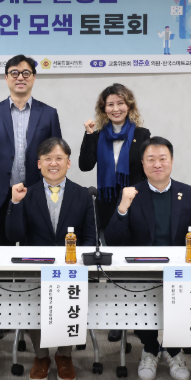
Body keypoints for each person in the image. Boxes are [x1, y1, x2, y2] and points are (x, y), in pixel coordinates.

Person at [105, 136, 191, 380]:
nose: (157, 164)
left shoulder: (189, 193)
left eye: (163, 158)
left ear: (172, 161)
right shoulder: (132, 193)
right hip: (142, 271)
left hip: (180, 271)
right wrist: (122, 208)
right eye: (150, 159)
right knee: (137, 293)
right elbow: (112, 240)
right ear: (142, 164)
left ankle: (173, 349)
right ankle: (150, 348)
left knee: (187, 290)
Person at [5, 137, 95, 380]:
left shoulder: (83, 195)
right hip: (36, 268)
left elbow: (90, 237)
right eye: (47, 159)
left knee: (70, 304)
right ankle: (41, 355)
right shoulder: (26, 193)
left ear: (68, 162)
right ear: (39, 163)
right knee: (34, 303)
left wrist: (78, 263)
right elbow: (14, 236)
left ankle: (64, 355)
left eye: (59, 158)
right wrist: (15, 203)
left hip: (71, 268)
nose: (53, 163)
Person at [78, 83, 150, 343]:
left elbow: (147, 169)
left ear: (129, 106)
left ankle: (139, 318)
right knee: (112, 267)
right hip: (108, 206)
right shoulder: (97, 135)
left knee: (134, 266)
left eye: (120, 103)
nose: (116, 108)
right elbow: (85, 165)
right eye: (110, 104)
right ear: (103, 109)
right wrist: (88, 135)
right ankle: (117, 319)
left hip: (135, 206)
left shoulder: (142, 134)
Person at [0, 54, 62, 248]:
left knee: (34, 251)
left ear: (34, 78)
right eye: (14, 73)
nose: (20, 77)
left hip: (35, 190)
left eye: (26, 73)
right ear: (6, 78)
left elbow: (57, 154)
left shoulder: (48, 113)